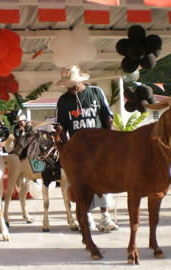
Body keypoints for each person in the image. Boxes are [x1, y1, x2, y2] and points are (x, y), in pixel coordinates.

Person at [56, 65, 118, 232]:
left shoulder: (96, 92)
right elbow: (61, 126)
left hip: (99, 145)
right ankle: (87, 217)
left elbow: (107, 117)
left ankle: (105, 217)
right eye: (68, 85)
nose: (71, 88)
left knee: (103, 180)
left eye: (74, 84)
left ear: (81, 81)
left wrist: (110, 139)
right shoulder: (63, 101)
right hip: (78, 150)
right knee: (82, 183)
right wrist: (65, 147)